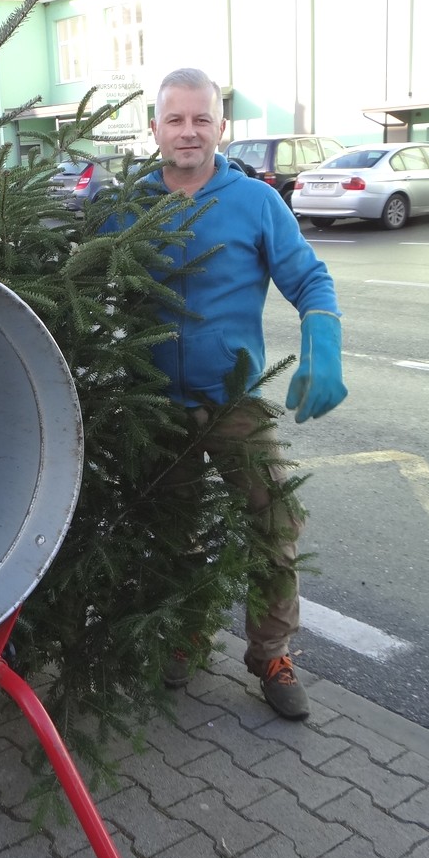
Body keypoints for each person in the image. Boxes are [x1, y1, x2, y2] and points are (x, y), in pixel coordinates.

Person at [119, 68, 347, 720]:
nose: (188, 131)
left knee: (275, 518)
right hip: (152, 403)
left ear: (221, 127)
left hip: (233, 400)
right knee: (174, 531)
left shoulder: (254, 202)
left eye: (201, 119)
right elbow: (77, 280)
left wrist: (323, 346)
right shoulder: (123, 205)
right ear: (155, 127)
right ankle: (188, 632)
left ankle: (270, 653)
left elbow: (309, 278)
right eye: (175, 119)